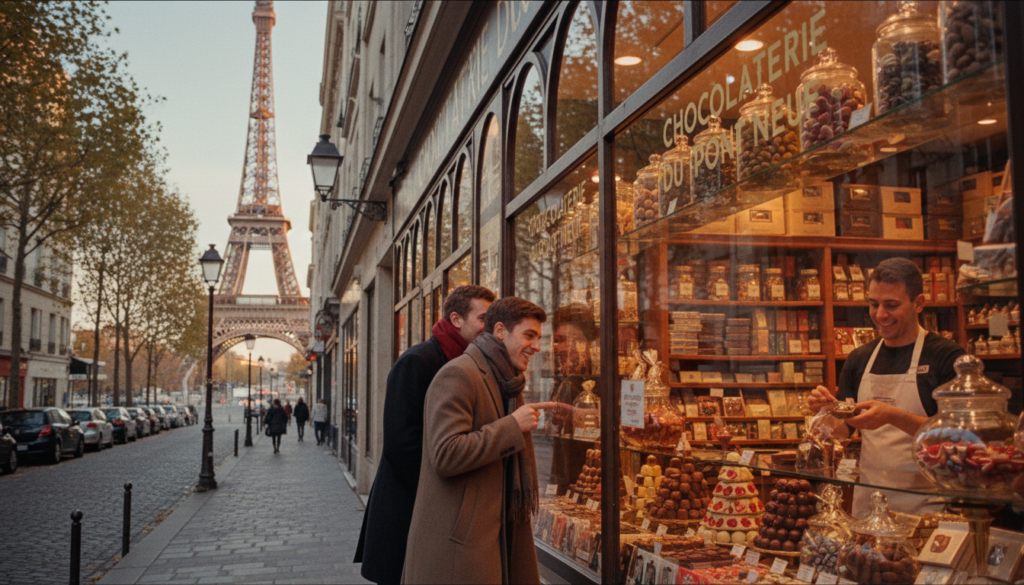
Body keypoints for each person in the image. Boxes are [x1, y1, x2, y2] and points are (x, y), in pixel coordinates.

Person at [402, 296, 558, 584]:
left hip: (492, 533)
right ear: (500, 331)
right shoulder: (458, 374)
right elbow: (446, 454)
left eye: (538, 338)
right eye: (529, 335)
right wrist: (512, 426)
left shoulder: (507, 381)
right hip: (460, 545)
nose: (537, 346)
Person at [355, 285, 496, 585]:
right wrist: (441, 484)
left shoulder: (470, 363)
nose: (490, 328)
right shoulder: (418, 360)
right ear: (456, 319)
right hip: (408, 505)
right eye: (483, 318)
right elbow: (399, 441)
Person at [807, 257, 964, 516]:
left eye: (891, 305)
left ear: (919, 304)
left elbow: (959, 437)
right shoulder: (859, 359)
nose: (880, 315)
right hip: (869, 505)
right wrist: (825, 412)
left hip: (928, 507)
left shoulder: (946, 356)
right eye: (873, 304)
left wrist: (892, 416)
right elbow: (843, 432)